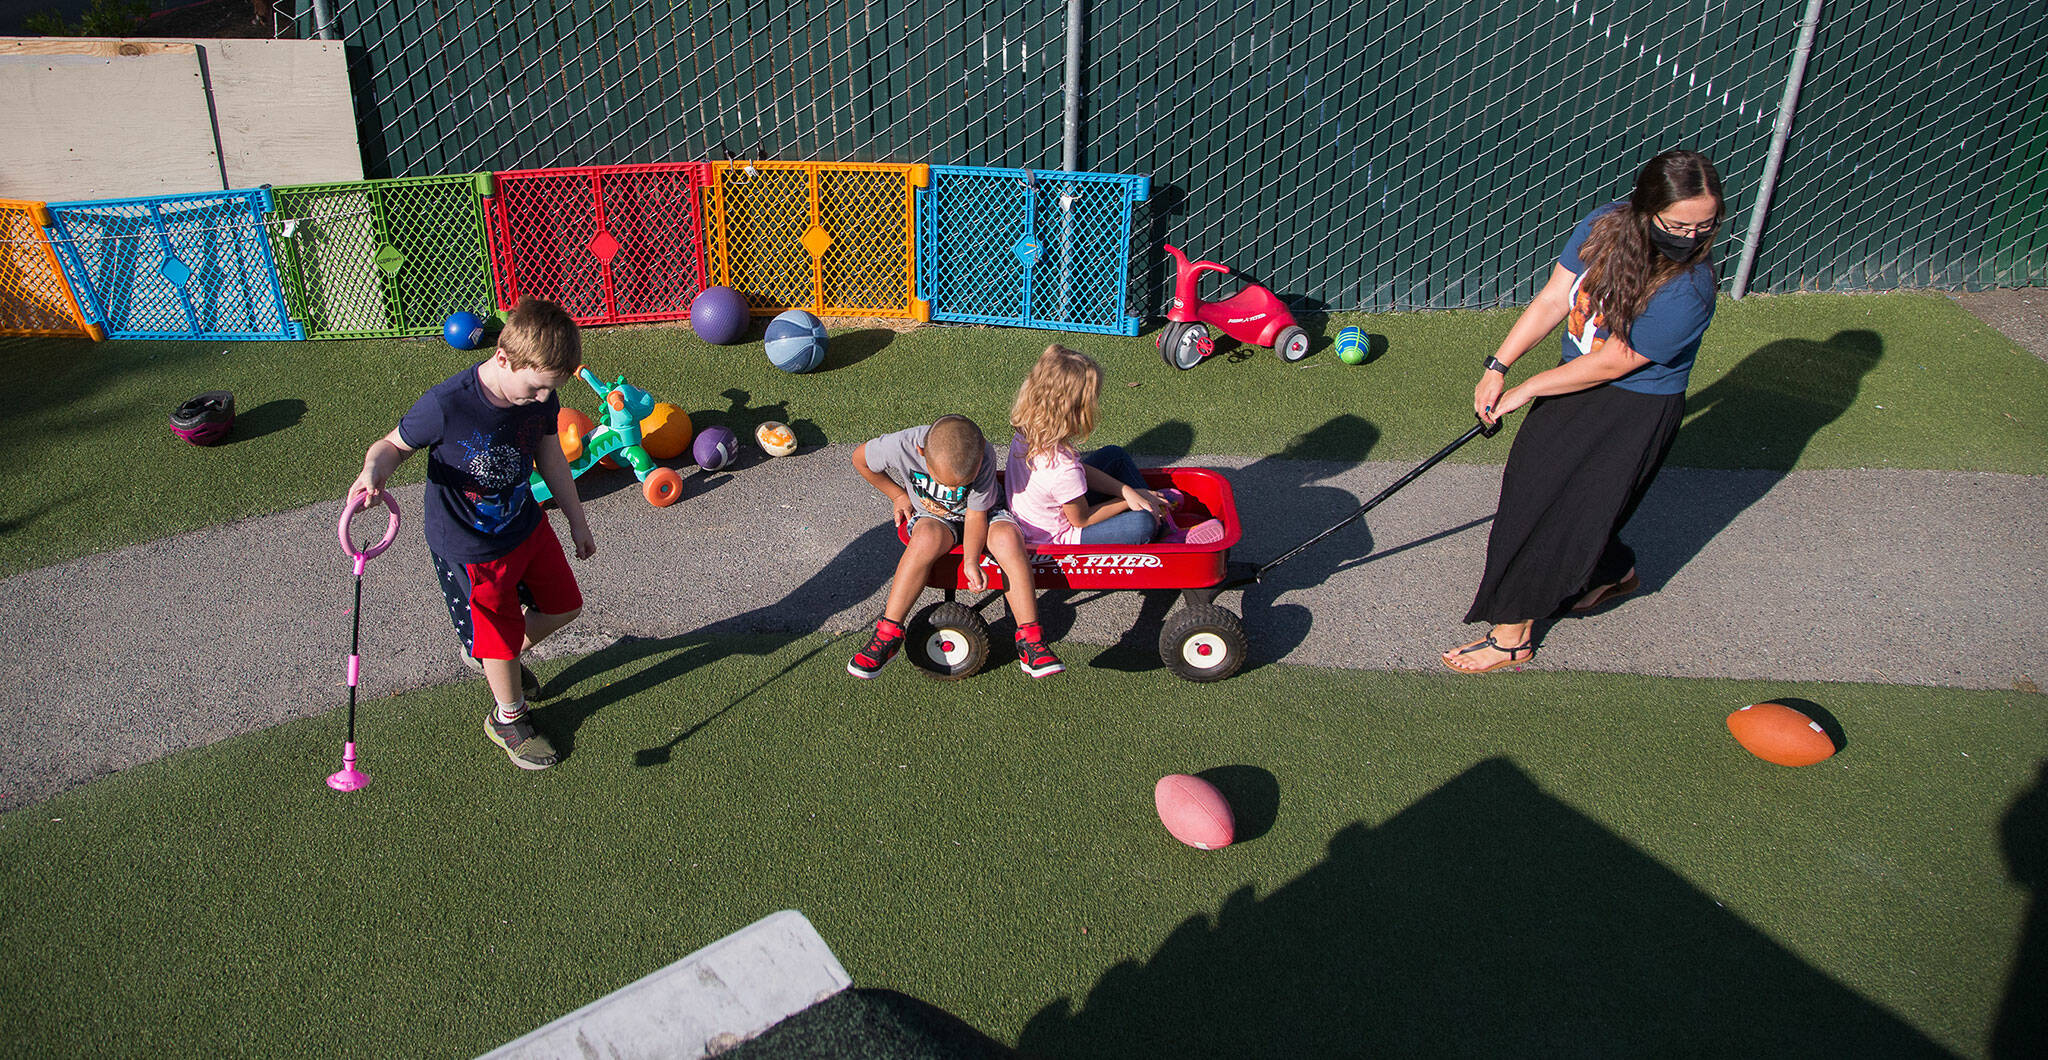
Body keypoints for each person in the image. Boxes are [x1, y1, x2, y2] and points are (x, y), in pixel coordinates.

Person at [1444, 149, 1724, 673]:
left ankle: (1512, 635)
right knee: (1543, 494)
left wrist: (1528, 390)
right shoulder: (1602, 227)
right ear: (1645, 208)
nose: (1691, 239)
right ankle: (1610, 574)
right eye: (1678, 225)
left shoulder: (1690, 287)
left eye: (1703, 227)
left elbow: (1614, 364)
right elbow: (1554, 298)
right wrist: (1498, 366)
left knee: (1552, 511)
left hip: (1633, 409)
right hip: (1574, 382)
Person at [348, 297, 596, 767]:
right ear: (503, 358)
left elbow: (550, 456)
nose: (544, 400)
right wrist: (372, 473)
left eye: (551, 390)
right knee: (500, 640)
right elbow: (391, 446)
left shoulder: (542, 391)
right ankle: (507, 716)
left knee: (565, 606)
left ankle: (491, 654)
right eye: (536, 389)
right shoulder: (447, 404)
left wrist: (576, 519)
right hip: (472, 544)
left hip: (525, 523)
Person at [848, 414, 1064, 679]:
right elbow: (860, 460)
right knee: (924, 538)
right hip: (934, 517)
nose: (952, 490)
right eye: (945, 483)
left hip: (986, 514)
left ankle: (1031, 640)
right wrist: (898, 495)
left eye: (960, 485)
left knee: (1007, 538)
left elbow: (976, 514)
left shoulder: (981, 452)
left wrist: (971, 561)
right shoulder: (900, 445)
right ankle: (888, 633)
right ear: (921, 452)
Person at [1004, 344, 1225, 548]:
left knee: (1114, 455)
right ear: (1076, 411)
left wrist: (1129, 491)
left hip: (1040, 514)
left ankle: (1156, 508)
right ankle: (1165, 531)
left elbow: (1078, 474)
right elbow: (1082, 520)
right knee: (1142, 523)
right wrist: (1127, 500)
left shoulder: (1027, 429)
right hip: (1056, 537)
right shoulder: (1063, 469)